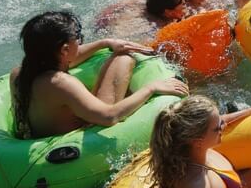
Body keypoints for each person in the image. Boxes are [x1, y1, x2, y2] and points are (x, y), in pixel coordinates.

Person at [10, 11, 189, 139]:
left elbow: (70, 58)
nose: (80, 43)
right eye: (77, 38)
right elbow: (109, 117)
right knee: (124, 59)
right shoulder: (61, 83)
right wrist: (150, 88)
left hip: (36, 135)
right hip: (79, 136)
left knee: (118, 57)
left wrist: (105, 42)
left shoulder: (19, 72)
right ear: (64, 49)